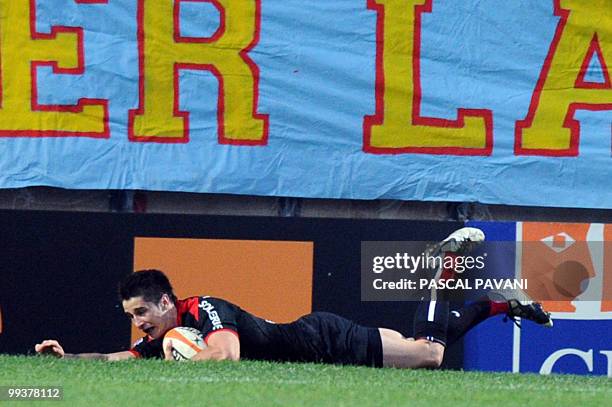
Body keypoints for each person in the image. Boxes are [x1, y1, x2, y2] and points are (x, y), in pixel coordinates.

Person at [35, 227, 552, 368]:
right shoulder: (169, 334)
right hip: (316, 342)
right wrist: (65, 359)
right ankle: (499, 305)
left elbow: (226, 354)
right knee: (423, 346)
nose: (137, 324)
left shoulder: (201, 309)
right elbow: (114, 357)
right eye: (132, 317)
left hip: (321, 339)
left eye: (141, 312)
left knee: (430, 355)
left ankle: (446, 264)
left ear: (166, 301)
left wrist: (183, 360)